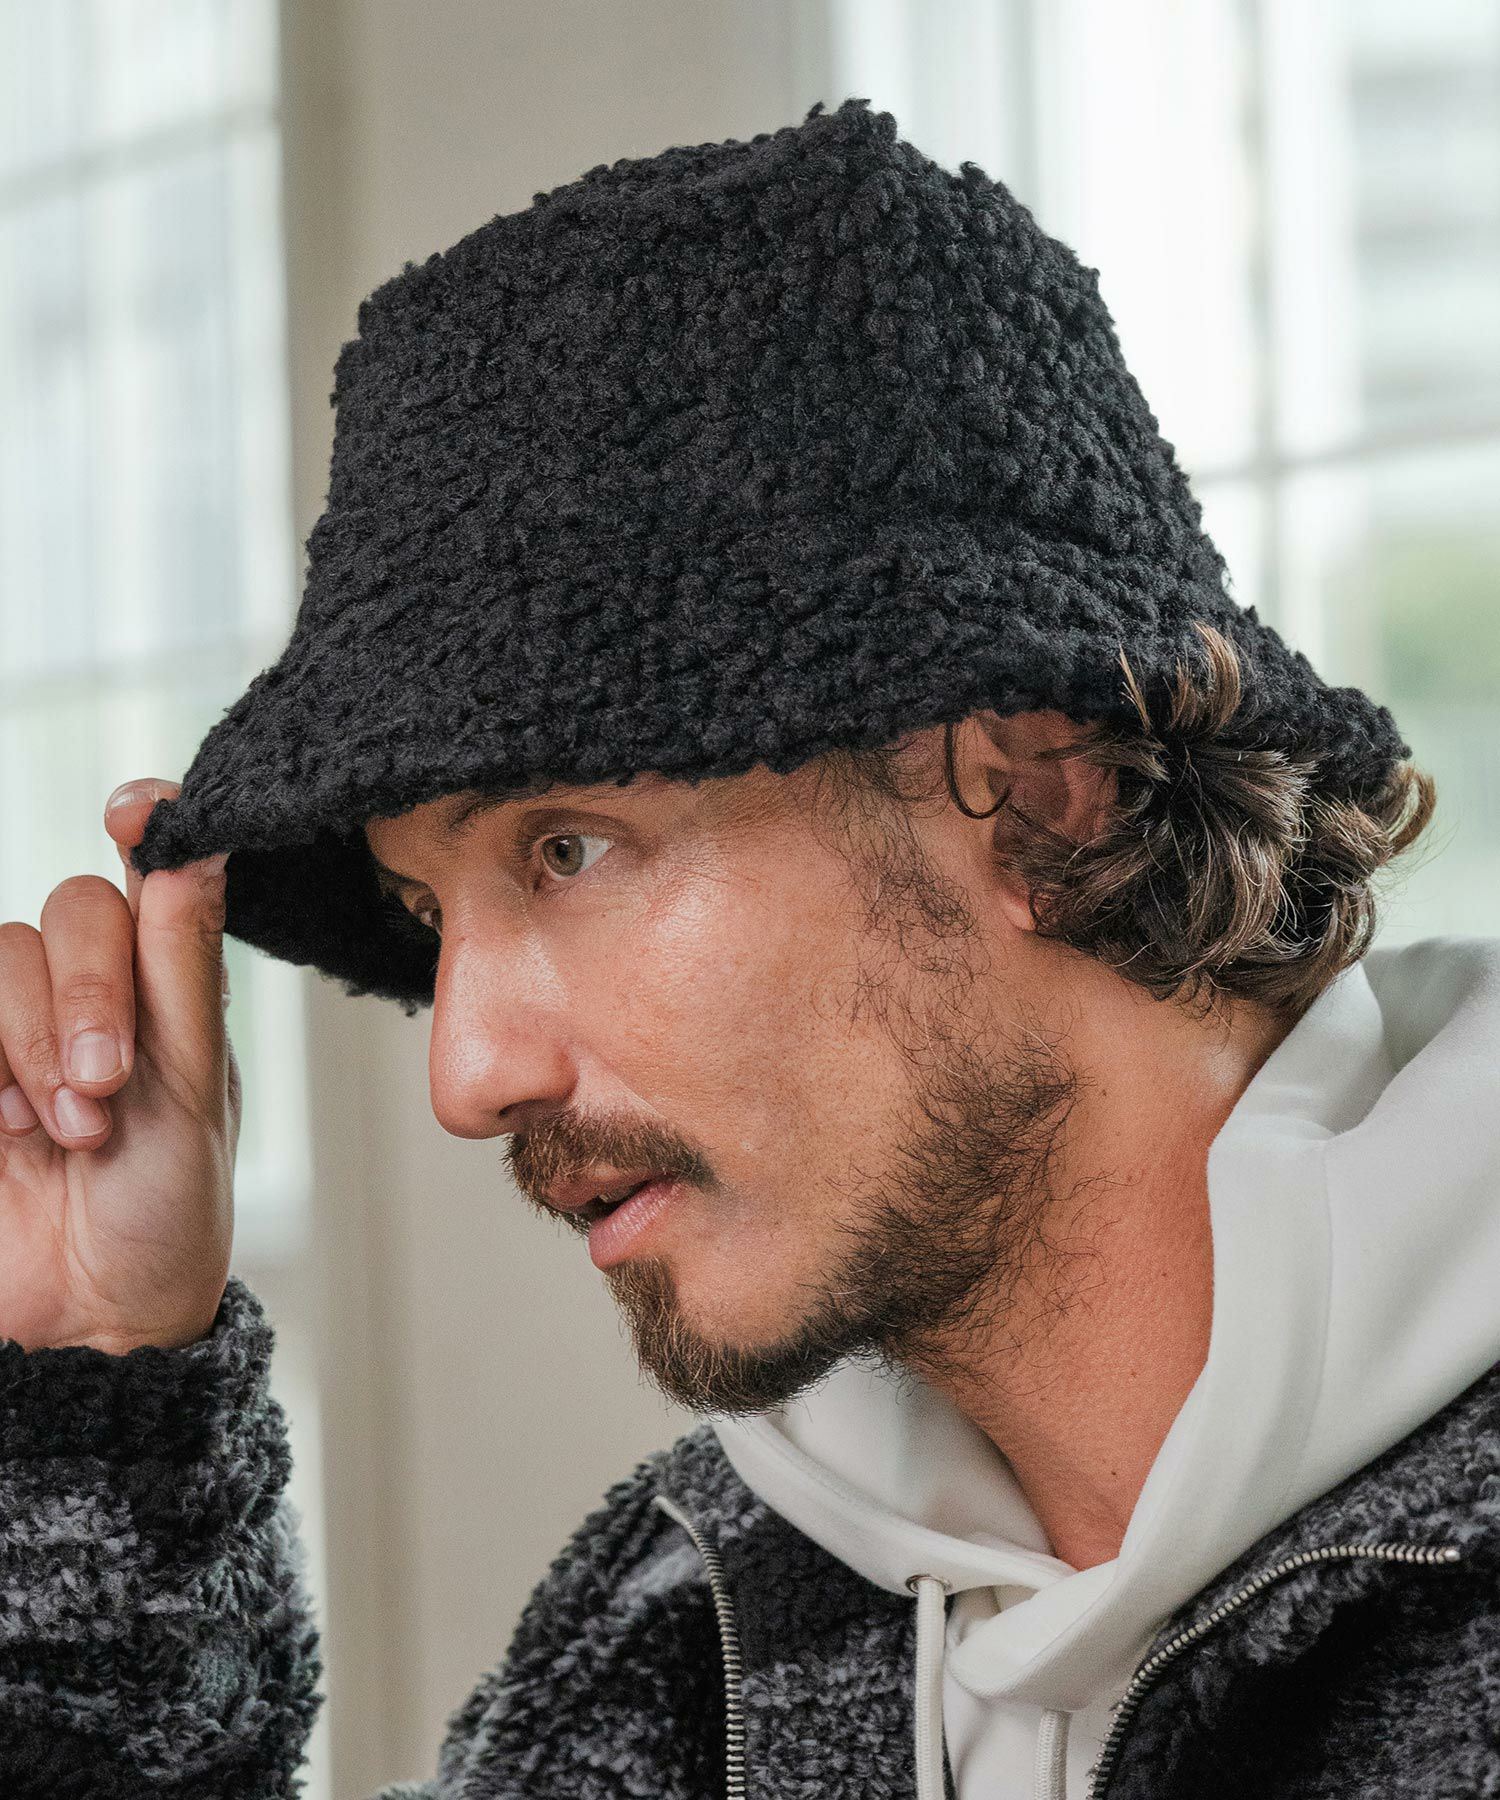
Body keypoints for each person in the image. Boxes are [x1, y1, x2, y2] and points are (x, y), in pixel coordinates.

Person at [0, 96, 1495, 1800]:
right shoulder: (675, 1624)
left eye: (568, 848)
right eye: (426, 914)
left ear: (1042, 794)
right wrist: (98, 1387)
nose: (467, 1075)